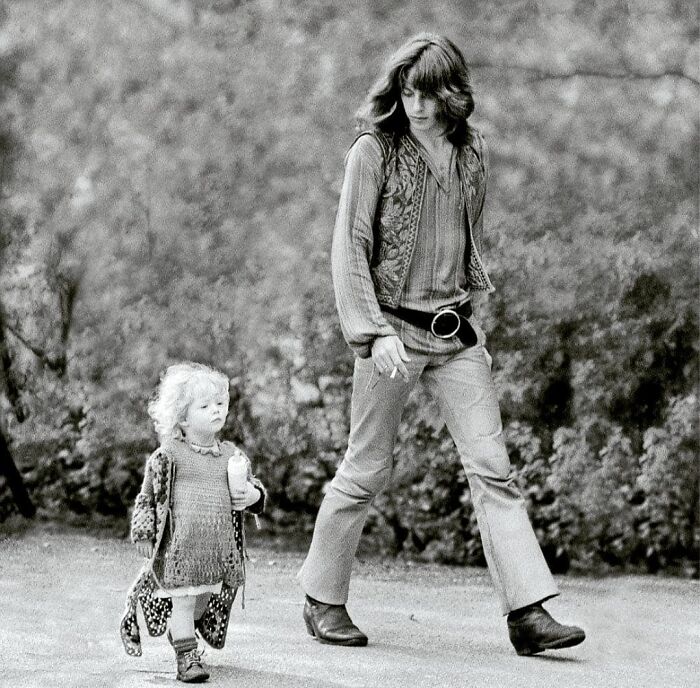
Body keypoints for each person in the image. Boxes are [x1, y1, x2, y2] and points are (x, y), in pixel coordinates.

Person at [298, 33, 585, 656]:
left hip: (456, 336)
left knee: (494, 470)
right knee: (367, 468)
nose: (418, 108)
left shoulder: (471, 151)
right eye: (407, 93)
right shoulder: (373, 150)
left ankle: (528, 614)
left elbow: (462, 235)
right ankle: (322, 599)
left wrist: (463, 300)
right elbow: (349, 250)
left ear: (453, 95)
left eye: (429, 95)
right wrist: (372, 335)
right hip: (390, 334)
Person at [119, 362, 266, 682]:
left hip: (217, 552)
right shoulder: (169, 455)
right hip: (180, 551)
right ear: (182, 417)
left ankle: (181, 633)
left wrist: (252, 497)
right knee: (184, 602)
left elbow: (253, 488)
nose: (216, 410)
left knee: (201, 603)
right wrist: (143, 531)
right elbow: (147, 496)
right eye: (205, 406)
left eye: (220, 404)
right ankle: (186, 656)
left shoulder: (231, 456)